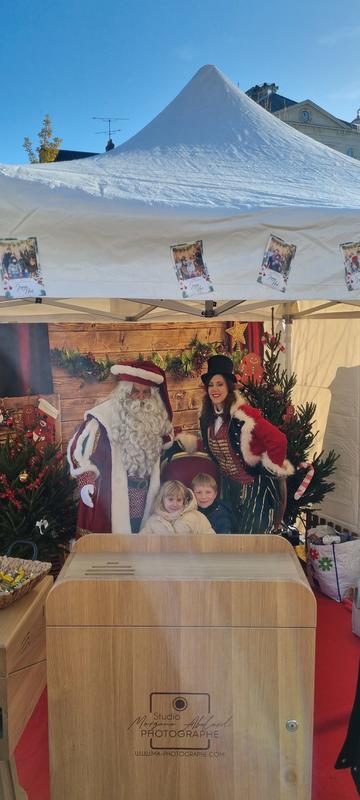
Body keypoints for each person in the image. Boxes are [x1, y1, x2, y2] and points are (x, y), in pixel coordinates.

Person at [67, 361, 175, 534]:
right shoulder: (102, 417)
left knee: (141, 538)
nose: (140, 397)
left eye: (146, 393)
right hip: (110, 496)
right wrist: (86, 480)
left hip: (146, 494)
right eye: (135, 391)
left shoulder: (155, 417)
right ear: (124, 392)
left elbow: (166, 438)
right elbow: (79, 451)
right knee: (112, 548)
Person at [199, 355, 293, 534]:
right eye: (211, 385)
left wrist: (267, 466)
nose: (215, 389)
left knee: (252, 536)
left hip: (253, 488)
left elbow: (279, 439)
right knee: (231, 534)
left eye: (219, 384)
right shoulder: (206, 418)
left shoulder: (243, 414)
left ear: (228, 386)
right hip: (228, 487)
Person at [140, 480, 215, 535]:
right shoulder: (154, 521)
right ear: (162, 499)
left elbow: (211, 538)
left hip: (191, 555)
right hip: (162, 556)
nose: (175, 504)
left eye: (179, 500)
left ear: (184, 500)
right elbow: (143, 543)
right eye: (170, 499)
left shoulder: (196, 517)